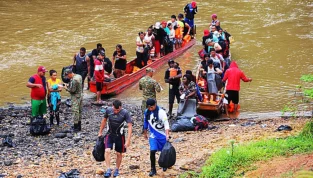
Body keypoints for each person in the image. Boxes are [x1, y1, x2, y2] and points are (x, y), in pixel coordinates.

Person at [98, 100, 133, 178]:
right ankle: (108, 169)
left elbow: (130, 126)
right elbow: (104, 121)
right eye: (115, 110)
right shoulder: (108, 110)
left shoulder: (125, 113)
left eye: (118, 110)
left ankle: (116, 169)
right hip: (109, 134)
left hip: (120, 136)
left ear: (121, 107)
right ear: (112, 106)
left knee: (118, 153)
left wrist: (128, 140)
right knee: (107, 151)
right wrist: (100, 132)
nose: (116, 111)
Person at [143, 98, 170, 177]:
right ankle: (153, 169)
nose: (150, 109)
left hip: (162, 134)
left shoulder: (161, 112)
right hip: (153, 135)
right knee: (152, 150)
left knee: (163, 151)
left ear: (155, 105)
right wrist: (145, 132)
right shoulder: (147, 112)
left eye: (152, 107)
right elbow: (145, 122)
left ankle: (164, 164)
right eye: (149, 107)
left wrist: (167, 134)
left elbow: (166, 124)